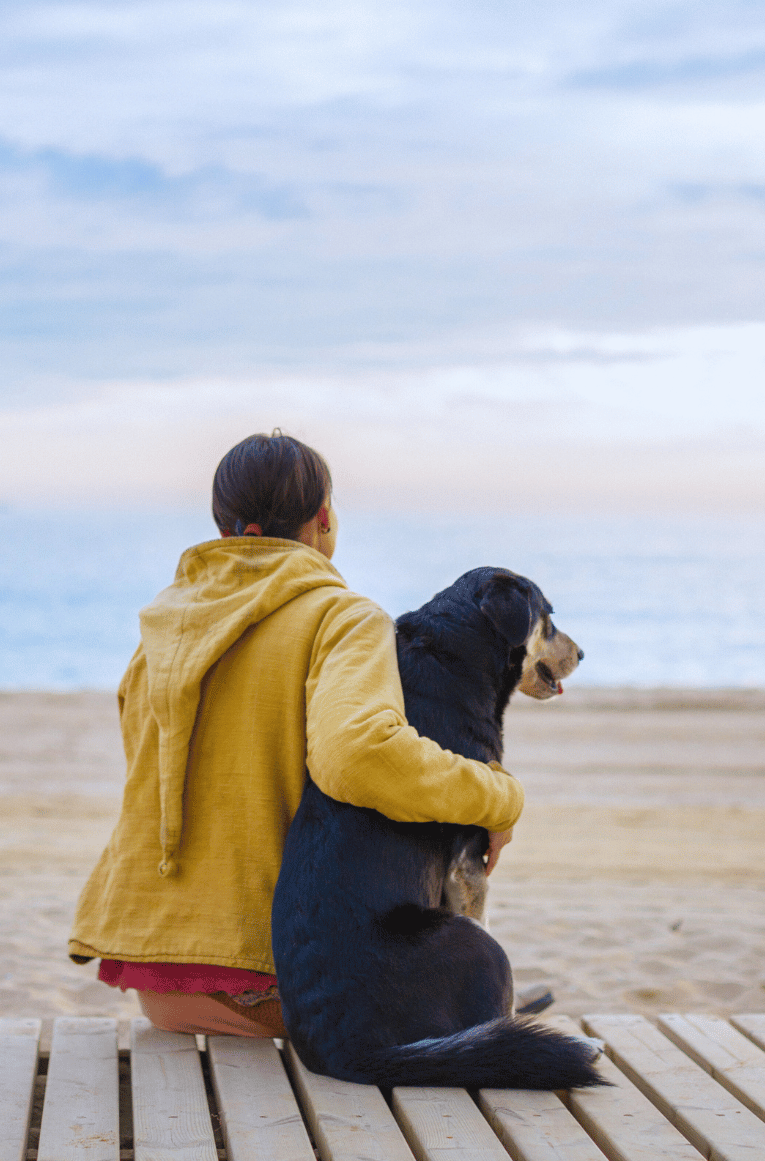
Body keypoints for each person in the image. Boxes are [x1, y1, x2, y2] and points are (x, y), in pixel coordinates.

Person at [68, 431, 524, 1038]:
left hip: (159, 985)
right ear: (325, 519)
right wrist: (498, 797)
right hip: (273, 980)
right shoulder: (342, 617)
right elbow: (360, 755)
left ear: (223, 526)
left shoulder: (161, 628)